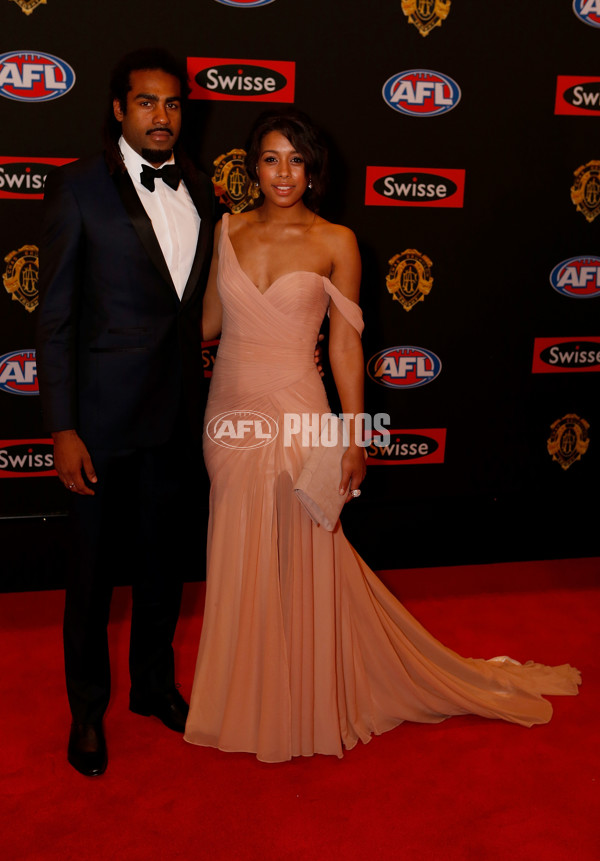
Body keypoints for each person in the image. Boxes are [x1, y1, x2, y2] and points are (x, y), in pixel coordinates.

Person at [184, 109, 581, 762]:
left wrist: (354, 434)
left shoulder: (337, 239)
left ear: (314, 170)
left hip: (301, 409)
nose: (284, 172)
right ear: (251, 167)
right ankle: (245, 692)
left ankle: (300, 696)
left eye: (296, 160)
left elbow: (345, 344)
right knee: (238, 540)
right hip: (228, 414)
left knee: (304, 549)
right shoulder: (225, 229)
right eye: (271, 158)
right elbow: (204, 324)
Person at [36, 48, 214, 777]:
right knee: (90, 578)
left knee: (163, 568)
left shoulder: (202, 190)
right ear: (118, 108)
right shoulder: (76, 189)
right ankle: (86, 711)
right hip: (101, 425)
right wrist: (62, 426)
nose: (161, 117)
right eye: (146, 103)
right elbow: (54, 320)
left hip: (175, 419)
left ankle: (153, 687)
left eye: (172, 104)